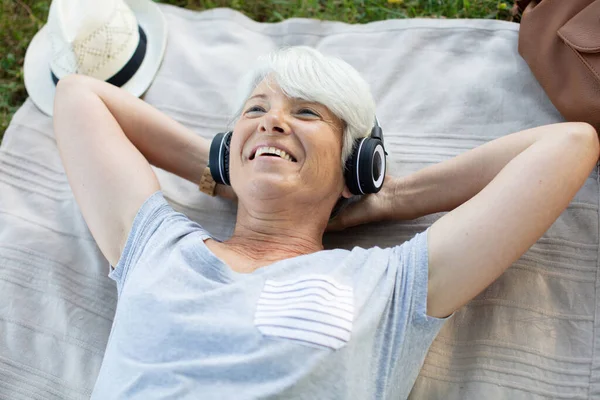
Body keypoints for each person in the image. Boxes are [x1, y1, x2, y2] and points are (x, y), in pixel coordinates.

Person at [52, 46, 599, 399]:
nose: (273, 120)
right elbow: (78, 95)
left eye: (307, 113)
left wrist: (385, 201)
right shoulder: (156, 247)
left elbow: (568, 144)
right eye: (256, 109)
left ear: (354, 166)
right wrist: (227, 168)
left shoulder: (390, 285)